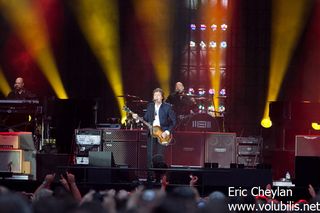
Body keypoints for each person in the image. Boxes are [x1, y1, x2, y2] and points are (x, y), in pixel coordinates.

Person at [133, 88, 176, 173]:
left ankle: (159, 177)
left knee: (160, 157)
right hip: (151, 133)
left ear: (162, 97)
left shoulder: (167, 107)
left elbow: (174, 121)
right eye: (155, 95)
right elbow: (145, 118)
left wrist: (167, 132)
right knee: (149, 156)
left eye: (158, 95)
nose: (156, 97)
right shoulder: (150, 106)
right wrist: (137, 118)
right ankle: (150, 176)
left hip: (163, 134)